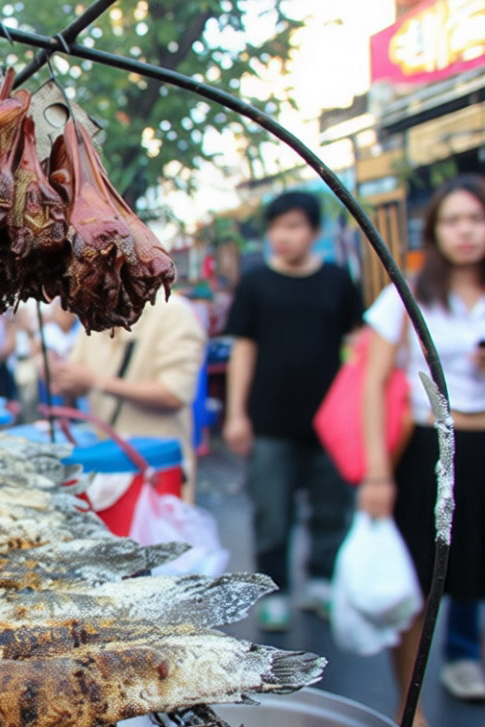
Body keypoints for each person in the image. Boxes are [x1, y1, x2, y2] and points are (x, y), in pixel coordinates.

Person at [360, 174, 485, 727]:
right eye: (454, 220)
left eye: (476, 220)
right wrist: (377, 473)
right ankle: (411, 717)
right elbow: (373, 385)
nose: (466, 231)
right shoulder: (406, 295)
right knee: (418, 597)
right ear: (435, 232)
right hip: (427, 452)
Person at [223, 191, 362, 632]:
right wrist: (236, 414)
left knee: (331, 507)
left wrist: (360, 413)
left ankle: (321, 580)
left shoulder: (338, 281)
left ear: (315, 233)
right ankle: (274, 591)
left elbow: (357, 350)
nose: (283, 236)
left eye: (294, 226)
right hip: (269, 421)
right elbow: (243, 351)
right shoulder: (256, 282)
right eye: (277, 227)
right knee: (271, 513)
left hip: (330, 424)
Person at [50, 293, 206, 501]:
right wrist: (62, 378)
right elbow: (78, 378)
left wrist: (97, 381)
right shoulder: (96, 311)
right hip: (105, 468)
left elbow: (174, 394)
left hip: (156, 469)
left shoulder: (173, 312)